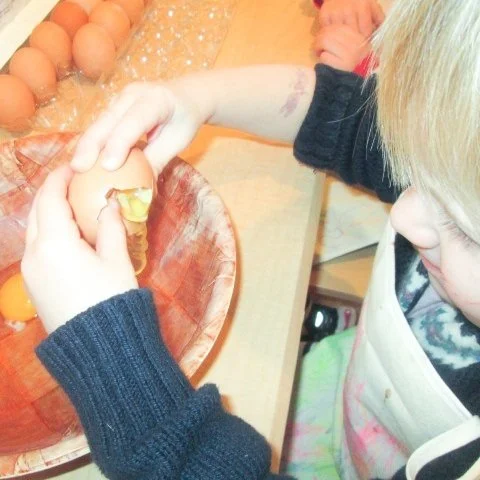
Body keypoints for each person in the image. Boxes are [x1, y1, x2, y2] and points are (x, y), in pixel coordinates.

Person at [22, 0, 480, 478]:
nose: (404, 214)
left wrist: (121, 377)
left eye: (466, 231)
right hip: (368, 402)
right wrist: (198, 97)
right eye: (416, 172)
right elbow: (351, 120)